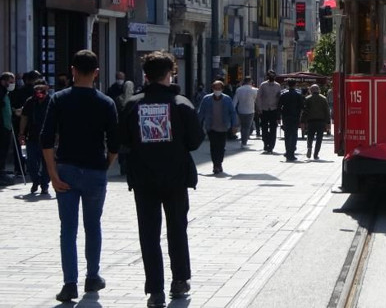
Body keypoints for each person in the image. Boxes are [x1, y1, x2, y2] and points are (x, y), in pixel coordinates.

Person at [120, 51, 204, 308]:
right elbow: (195, 141)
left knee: (149, 234)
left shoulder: (132, 104)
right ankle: (179, 280)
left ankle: (154, 290)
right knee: (177, 229)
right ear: (171, 73)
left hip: (144, 177)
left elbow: (123, 140)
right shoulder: (181, 104)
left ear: (145, 75)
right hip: (176, 177)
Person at [40, 50, 119, 303]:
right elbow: (115, 143)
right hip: (95, 169)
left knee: (68, 229)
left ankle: (69, 284)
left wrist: (53, 174)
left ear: (72, 70)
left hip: (67, 170)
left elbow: (46, 139)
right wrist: (105, 165)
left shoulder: (59, 99)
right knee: (93, 226)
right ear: (97, 72)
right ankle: (92, 276)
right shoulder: (106, 102)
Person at [197, 81, 238, 174]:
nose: (217, 90)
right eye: (215, 88)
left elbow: (232, 113)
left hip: (223, 127)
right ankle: (216, 165)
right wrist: (197, 124)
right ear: (212, 88)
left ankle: (219, 163)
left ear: (222, 89)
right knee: (213, 146)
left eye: (219, 88)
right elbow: (201, 112)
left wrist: (234, 125)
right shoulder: (206, 99)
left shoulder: (227, 99)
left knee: (221, 146)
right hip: (211, 127)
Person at [19, 80, 51, 194]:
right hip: (32, 137)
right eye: (37, 91)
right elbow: (24, 117)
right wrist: (21, 133)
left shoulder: (52, 101)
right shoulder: (30, 102)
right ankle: (36, 180)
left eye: (41, 91)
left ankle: (44, 185)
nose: (39, 94)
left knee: (47, 163)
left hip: (48, 137)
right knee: (31, 162)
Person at [300, 84, 330, 160]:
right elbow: (327, 111)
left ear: (310, 90)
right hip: (321, 121)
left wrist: (302, 121)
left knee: (310, 137)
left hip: (311, 121)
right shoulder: (323, 98)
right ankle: (316, 154)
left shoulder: (307, 99)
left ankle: (309, 147)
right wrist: (328, 123)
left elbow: (305, 111)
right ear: (318, 90)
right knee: (319, 139)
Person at [256, 71, 282, 154]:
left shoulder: (278, 86)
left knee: (273, 128)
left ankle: (271, 145)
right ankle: (265, 142)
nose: (272, 77)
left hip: (273, 110)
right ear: (267, 76)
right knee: (264, 128)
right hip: (264, 109)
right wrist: (259, 108)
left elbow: (279, 99)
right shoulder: (263, 85)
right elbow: (259, 97)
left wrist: (279, 111)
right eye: (270, 76)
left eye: (273, 76)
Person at [278, 79, 304, 161]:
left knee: (287, 135)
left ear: (287, 84)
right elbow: (302, 107)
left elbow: (279, 106)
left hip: (286, 116)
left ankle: (288, 151)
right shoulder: (298, 94)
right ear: (295, 84)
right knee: (294, 134)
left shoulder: (283, 94)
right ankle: (292, 152)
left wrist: (279, 116)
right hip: (295, 116)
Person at [0, 72, 16, 183]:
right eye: (10, 82)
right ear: (4, 81)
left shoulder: (5, 92)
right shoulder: (1, 92)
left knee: (4, 150)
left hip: (6, 125)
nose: (12, 84)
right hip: (1, 126)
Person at [233, 77, 258, 146]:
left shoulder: (239, 89)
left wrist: (232, 110)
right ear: (250, 82)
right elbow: (256, 100)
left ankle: (243, 140)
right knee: (247, 127)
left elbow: (235, 100)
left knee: (242, 126)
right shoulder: (254, 90)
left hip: (241, 110)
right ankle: (244, 142)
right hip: (250, 110)